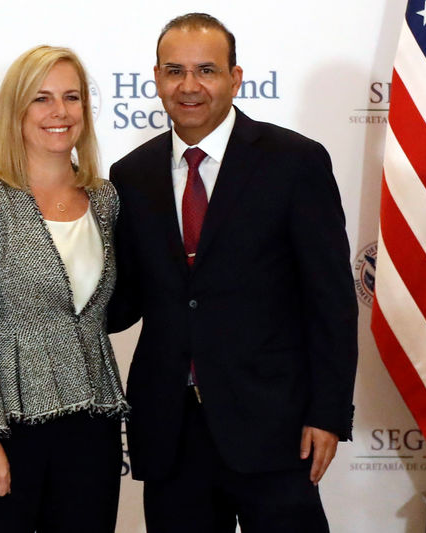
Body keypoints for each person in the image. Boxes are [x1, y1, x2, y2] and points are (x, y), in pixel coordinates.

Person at [108, 13, 358, 533]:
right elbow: (126, 299)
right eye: (174, 71)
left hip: (276, 427)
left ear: (235, 78)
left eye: (207, 70)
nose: (189, 86)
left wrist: (328, 412)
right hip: (171, 432)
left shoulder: (295, 162)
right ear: (155, 79)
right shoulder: (130, 175)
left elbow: (330, 300)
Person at [0, 45, 127, 533]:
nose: (59, 112)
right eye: (41, 99)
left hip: (91, 425)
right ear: (15, 112)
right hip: (0, 429)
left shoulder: (104, 199)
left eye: (72, 97)